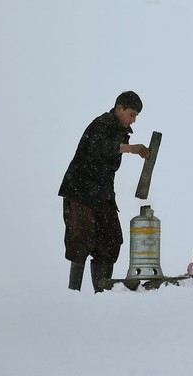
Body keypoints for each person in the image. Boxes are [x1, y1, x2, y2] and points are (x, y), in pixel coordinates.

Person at [59, 91, 150, 292]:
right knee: (80, 239)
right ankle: (73, 294)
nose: (133, 120)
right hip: (80, 191)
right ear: (119, 108)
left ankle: (102, 294)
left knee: (110, 240)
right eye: (131, 114)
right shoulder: (100, 124)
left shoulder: (120, 131)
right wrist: (130, 148)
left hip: (103, 194)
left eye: (136, 116)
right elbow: (100, 147)